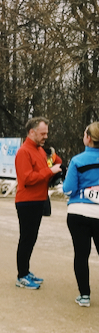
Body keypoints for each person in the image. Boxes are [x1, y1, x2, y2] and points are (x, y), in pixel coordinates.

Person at [14, 117, 62, 289]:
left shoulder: (40, 150)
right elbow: (27, 179)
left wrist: (55, 161)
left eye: (46, 133)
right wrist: (49, 171)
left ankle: (25, 271)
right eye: (42, 134)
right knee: (26, 238)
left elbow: (54, 163)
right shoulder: (24, 152)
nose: (45, 137)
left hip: (39, 199)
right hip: (27, 201)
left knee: (31, 238)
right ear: (31, 132)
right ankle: (21, 275)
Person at [63, 122, 99, 307]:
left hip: (78, 212)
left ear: (88, 138)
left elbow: (68, 189)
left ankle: (84, 296)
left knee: (81, 254)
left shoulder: (77, 160)